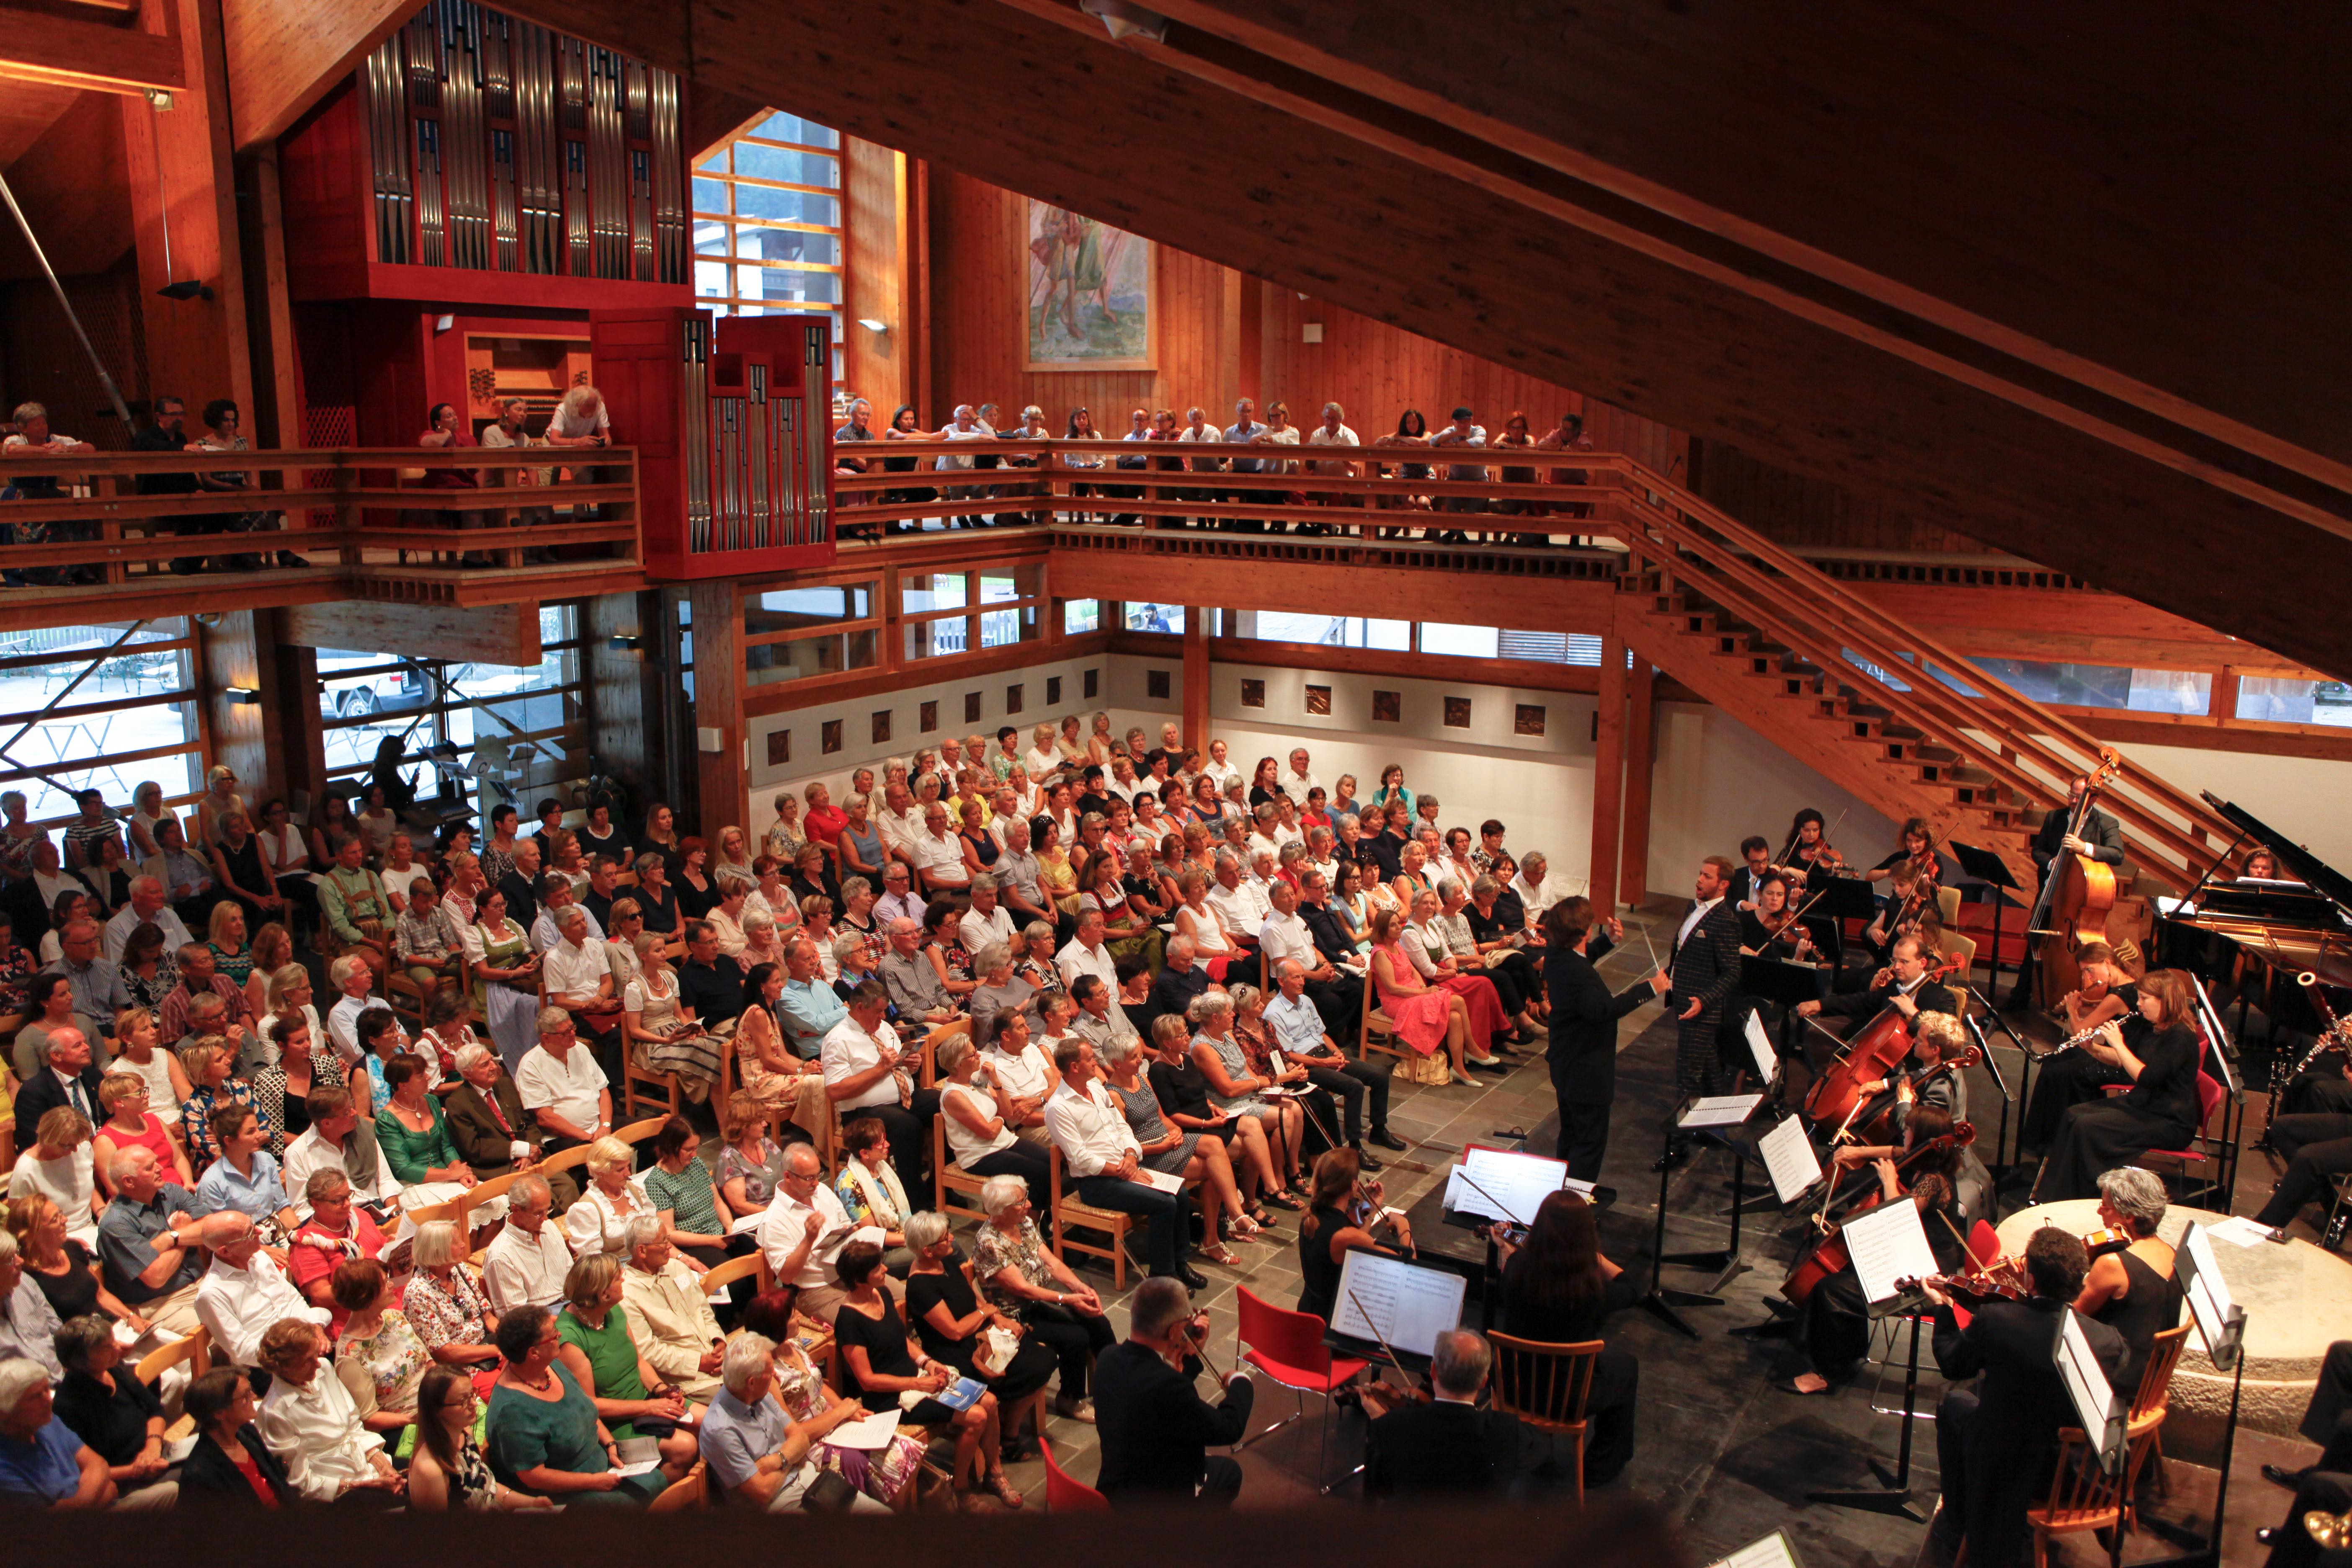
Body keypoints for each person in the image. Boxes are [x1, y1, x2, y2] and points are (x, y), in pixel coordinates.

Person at [1920, 1228, 2127, 1568]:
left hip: (2003, 1462)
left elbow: (1953, 1364)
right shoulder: (2107, 1340)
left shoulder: (1998, 1321)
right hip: (2069, 1475)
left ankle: (1957, 1522)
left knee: (1956, 1403)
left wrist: (1942, 1307)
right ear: (2082, 1280)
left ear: (2031, 1280)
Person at [833, 1237, 1020, 1507]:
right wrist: (918, 1385)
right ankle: (962, 1490)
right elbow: (867, 1380)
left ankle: (994, 1473)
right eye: (877, 1269)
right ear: (860, 1279)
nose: (885, 1271)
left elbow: (902, 1340)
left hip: (917, 1380)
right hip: (890, 1397)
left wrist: (927, 1362)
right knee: (977, 1416)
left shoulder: (881, 1293)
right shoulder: (849, 1320)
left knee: (989, 1401)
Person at [1491, 1189, 1641, 1483]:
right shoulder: (1593, 1291)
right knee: (1627, 1366)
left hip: (1513, 1386)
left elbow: (1509, 1264)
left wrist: (1502, 1245)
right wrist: (1596, 1258)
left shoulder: (1517, 1269)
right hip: (1566, 1399)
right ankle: (1602, 1467)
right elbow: (1631, 1288)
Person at [1046, 1034, 1200, 1287]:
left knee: (1180, 1193)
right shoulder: (1059, 1108)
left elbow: (1122, 1126)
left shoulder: (1097, 1088)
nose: (1096, 1062)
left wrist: (1130, 1155)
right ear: (1074, 1067)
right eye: (1090, 1059)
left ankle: (1180, 1263)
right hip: (1097, 1183)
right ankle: (1162, 1278)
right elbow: (1080, 1158)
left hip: (1126, 1166)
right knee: (1165, 1204)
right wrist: (1122, 1171)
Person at [2037, 970, 2204, 1202]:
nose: (2139, 1004)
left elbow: (2146, 1078)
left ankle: (2080, 1197)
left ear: (2165, 1000)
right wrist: (2092, 1048)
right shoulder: (2154, 1027)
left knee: (2087, 1127)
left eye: (2145, 998)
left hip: (2168, 1121)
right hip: (2144, 1106)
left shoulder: (2180, 1037)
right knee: (2072, 1114)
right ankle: (2053, 1195)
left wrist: (2119, 1043)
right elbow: (2120, 1060)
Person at [1093, 1274, 1253, 1506]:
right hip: (1158, 1505)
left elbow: (1154, 1404)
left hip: (1115, 1490)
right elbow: (1228, 1427)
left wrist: (1190, 1357)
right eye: (1186, 1323)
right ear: (1173, 1331)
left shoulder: (1108, 1358)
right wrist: (1240, 1382)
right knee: (1229, 1472)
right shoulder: (1169, 1386)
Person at [485, 1304, 667, 1506]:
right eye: (554, 1335)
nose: (560, 1335)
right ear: (534, 1353)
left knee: (658, 1481)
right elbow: (534, 1476)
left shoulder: (550, 1365)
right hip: (561, 1488)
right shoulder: (513, 1411)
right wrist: (593, 1482)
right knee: (629, 1506)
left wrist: (610, 1443)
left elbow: (586, 1410)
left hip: (599, 1461)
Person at [1542, 897, 1669, 1181]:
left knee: (1572, 1134)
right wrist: (1650, 988)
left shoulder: (1556, 954)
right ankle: (1575, 1201)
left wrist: (1607, 941)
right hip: (1586, 1069)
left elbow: (1581, 959)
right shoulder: (1578, 974)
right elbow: (1603, 1011)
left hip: (1566, 1061)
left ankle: (1561, 1191)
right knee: (1588, 1143)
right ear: (1584, 932)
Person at [970, 1173, 1115, 1421]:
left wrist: (1079, 1287)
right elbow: (1023, 1289)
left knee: (1097, 1319)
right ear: (1001, 1210)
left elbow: (1050, 1263)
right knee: (1075, 1337)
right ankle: (1070, 1399)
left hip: (1041, 1300)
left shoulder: (1023, 1223)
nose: (1028, 1204)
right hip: (1016, 1315)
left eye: (1025, 1198)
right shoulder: (989, 1242)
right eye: (1021, 1202)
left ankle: (1114, 1385)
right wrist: (1068, 1299)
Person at [1363, 1327, 1526, 1501]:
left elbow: (1382, 1489)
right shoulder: (1508, 1430)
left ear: (1433, 1371)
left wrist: (1381, 1422)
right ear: (1483, 1382)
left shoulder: (1388, 1426)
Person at [253, 1317, 403, 1504]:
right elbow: (302, 1484)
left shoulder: (323, 1369)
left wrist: (383, 1467)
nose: (317, 1364)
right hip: (335, 1492)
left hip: (365, 1467)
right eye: (306, 1361)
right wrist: (364, 1485)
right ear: (282, 1367)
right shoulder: (275, 1413)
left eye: (315, 1355)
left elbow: (353, 1426)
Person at [821, 981, 940, 1200]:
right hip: (863, 1112)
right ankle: (913, 1200)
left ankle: (939, 1189)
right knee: (908, 1126)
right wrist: (879, 1069)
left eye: (885, 1010)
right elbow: (836, 1091)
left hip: (905, 1098)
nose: (884, 1017)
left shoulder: (884, 1029)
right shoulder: (838, 1040)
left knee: (949, 1102)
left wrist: (910, 1064)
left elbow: (895, 1066)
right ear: (859, 1009)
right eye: (878, 1011)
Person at [1660, 856, 1744, 1159]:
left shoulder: (1725, 921)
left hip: (1700, 1012)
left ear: (1723, 885)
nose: (1699, 880)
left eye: (1707, 876)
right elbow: (1682, 951)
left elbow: (1733, 972)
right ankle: (1717, 1126)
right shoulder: (1692, 908)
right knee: (1710, 1072)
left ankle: (1678, 1148)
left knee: (1687, 1078)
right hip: (1683, 1001)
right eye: (1700, 873)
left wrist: (1705, 1000)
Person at [2076, 1165, 2182, 1400]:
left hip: (2114, 1386)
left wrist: (2033, 1282)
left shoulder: (2113, 1264)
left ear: (2129, 1217)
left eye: (2105, 1206)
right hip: (2151, 1385)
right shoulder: (2174, 1255)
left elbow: (2070, 1317)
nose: (2099, 1212)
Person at [49, 1313, 175, 1507]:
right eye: (107, 1348)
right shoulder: (69, 1406)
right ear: (81, 1362)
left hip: (157, 1454)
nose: (118, 1348)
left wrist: (153, 1445)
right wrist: (137, 1469)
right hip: (127, 1480)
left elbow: (155, 1410)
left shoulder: (115, 1370)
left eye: (113, 1341)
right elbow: (84, 1471)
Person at [192, 1210, 332, 1367]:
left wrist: (315, 1326)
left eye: (253, 1224)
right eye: (250, 1233)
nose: (259, 1231)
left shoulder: (261, 1258)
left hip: (305, 1344)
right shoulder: (212, 1294)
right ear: (225, 1251)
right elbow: (243, 1353)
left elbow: (294, 1301)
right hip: (270, 1366)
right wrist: (299, 1350)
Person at [407, 1364, 554, 1511]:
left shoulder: (465, 1435)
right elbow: (437, 1532)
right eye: (463, 1401)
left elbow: (487, 1488)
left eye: (472, 1394)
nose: (474, 1404)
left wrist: (532, 1503)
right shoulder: (430, 1471)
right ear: (438, 1411)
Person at [92, 1147, 206, 1335]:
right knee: (219, 1331)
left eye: (157, 1161)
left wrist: (172, 1239)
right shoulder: (116, 1224)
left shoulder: (171, 1192)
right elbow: (157, 1277)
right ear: (128, 1182)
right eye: (150, 1167)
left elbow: (211, 1227)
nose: (160, 1168)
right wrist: (181, 1234)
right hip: (159, 1304)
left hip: (202, 1283)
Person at [1296, 1147, 1413, 1323]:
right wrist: (1404, 1227)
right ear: (1353, 1185)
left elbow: (1353, 1243)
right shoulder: (1346, 1236)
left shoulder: (1312, 1214)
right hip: (1330, 1324)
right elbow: (1406, 1266)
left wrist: (1369, 1208)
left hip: (1309, 1312)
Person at [616, 1219, 729, 1401]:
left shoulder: (677, 1268)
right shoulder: (626, 1293)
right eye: (663, 1242)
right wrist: (699, 1363)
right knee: (737, 1402)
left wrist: (720, 1342)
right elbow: (649, 1350)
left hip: (718, 1358)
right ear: (642, 1251)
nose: (670, 1247)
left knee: (764, 1380)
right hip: (688, 1377)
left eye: (668, 1239)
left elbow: (704, 1310)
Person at [0, 1354, 115, 1507]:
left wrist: (81, 1502)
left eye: (47, 1389)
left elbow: (97, 1464)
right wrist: (102, 1492)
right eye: (35, 1397)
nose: (49, 1400)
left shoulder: (48, 1421)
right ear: (5, 1412)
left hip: (97, 1512)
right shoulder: (4, 1469)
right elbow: (52, 1525)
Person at [483, 1175, 574, 1315]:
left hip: (572, 1302)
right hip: (542, 1318)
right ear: (516, 1209)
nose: (545, 1218)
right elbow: (517, 1317)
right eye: (538, 1213)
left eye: (547, 1210)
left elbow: (571, 1274)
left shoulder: (549, 1226)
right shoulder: (501, 1256)